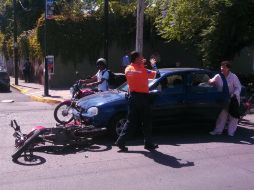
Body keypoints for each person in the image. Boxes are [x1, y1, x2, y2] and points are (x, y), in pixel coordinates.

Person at [115, 51, 159, 152]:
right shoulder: (143, 70)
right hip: (143, 98)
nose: (143, 58)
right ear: (136, 59)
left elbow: (136, 70)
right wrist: (153, 64)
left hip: (132, 97)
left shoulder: (127, 69)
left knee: (130, 121)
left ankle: (121, 141)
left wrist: (141, 63)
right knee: (146, 121)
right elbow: (157, 75)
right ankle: (148, 143)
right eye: (141, 57)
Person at [209, 60, 242, 136]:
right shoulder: (218, 76)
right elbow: (211, 81)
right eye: (221, 67)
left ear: (228, 68)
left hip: (233, 99)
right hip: (223, 99)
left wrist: (234, 94)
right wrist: (210, 81)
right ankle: (218, 131)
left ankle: (231, 132)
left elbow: (238, 87)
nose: (222, 68)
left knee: (233, 116)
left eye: (224, 67)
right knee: (222, 115)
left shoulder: (233, 76)